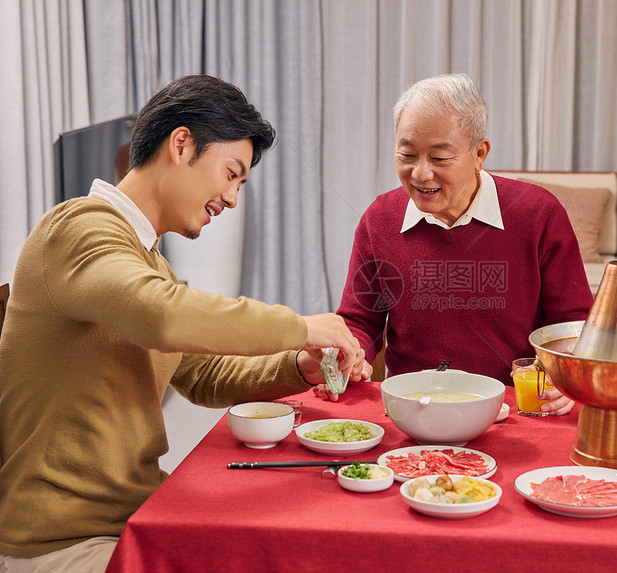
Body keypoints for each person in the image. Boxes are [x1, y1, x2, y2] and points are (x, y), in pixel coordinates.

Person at [0, 74, 370, 572]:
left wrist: (298, 366)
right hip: (65, 541)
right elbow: (160, 315)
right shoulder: (76, 228)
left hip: (133, 516)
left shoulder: (148, 260)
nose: (232, 198)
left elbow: (204, 374)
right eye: (231, 173)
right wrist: (301, 326)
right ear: (181, 144)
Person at [334, 73, 593, 414]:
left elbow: (574, 323)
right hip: (413, 408)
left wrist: (567, 373)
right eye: (407, 154)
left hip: (516, 408)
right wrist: (348, 357)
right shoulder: (379, 218)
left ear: (479, 153)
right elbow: (360, 321)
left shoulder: (537, 214)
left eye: (440, 159)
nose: (421, 173)